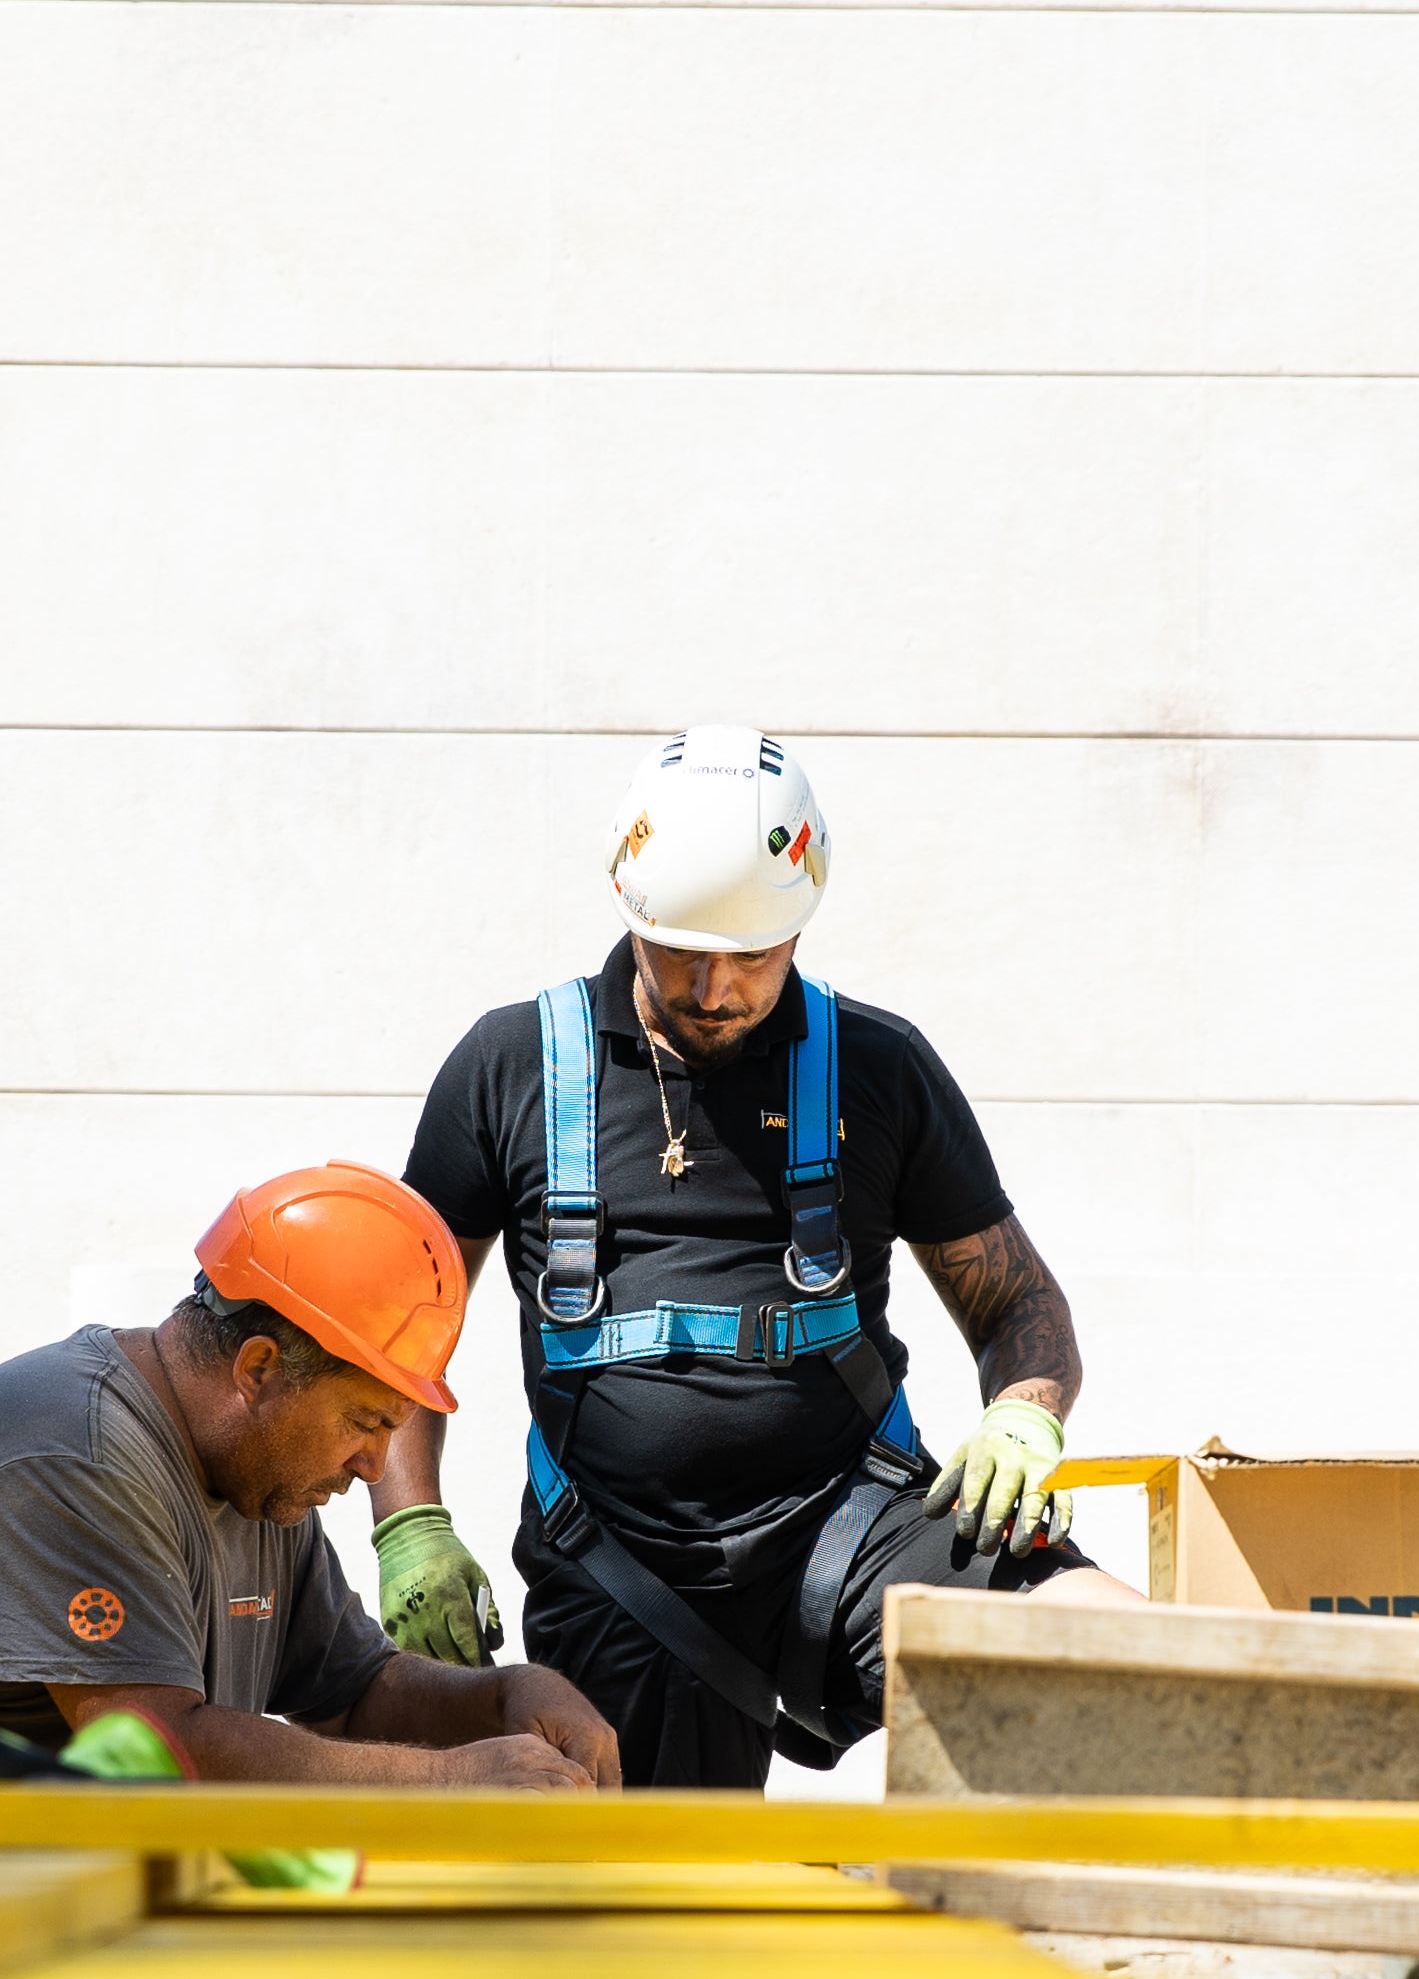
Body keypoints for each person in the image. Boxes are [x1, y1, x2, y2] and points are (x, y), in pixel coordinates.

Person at [368, 727, 1128, 1792]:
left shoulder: (877, 1069)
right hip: (615, 1561)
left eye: (754, 954)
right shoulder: (511, 1069)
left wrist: (1026, 1410)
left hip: (853, 1522)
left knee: (1123, 1657)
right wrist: (410, 1520)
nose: (715, 986)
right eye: (679, 949)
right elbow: (400, 1322)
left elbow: (1018, 1303)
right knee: (639, 1912)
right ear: (628, 908)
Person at [0, 1164, 623, 1788]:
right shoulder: (74, 1454)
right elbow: (152, 1742)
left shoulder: (265, 1481)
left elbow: (357, 1690)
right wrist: (447, 1783)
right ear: (258, 1368)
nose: (373, 1467)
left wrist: (509, 1693)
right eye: (365, 1422)